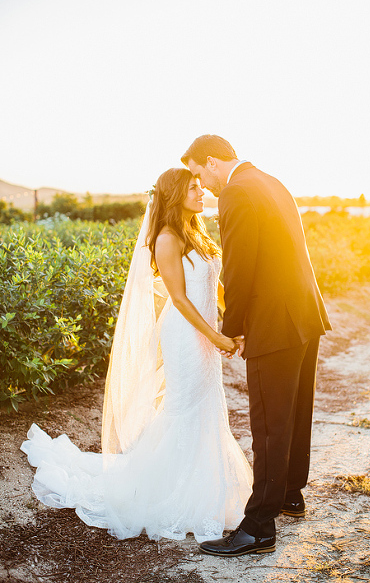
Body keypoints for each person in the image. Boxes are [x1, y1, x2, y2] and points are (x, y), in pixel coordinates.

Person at [21, 168, 253, 543]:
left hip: (206, 332)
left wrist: (230, 323)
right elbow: (178, 299)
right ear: (175, 195)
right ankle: (171, 495)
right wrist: (215, 337)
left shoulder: (197, 230)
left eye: (200, 186)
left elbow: (215, 285)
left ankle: (207, 492)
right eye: (193, 188)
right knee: (186, 407)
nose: (201, 192)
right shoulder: (166, 238)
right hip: (185, 335)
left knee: (207, 406)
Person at [182, 135, 332, 557]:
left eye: (198, 174)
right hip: (304, 314)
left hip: (274, 323)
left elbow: (240, 267)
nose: (203, 186)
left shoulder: (235, 193)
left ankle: (259, 527)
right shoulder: (270, 181)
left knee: (269, 423)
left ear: (212, 163)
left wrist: (233, 329)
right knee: (297, 411)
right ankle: (289, 493)